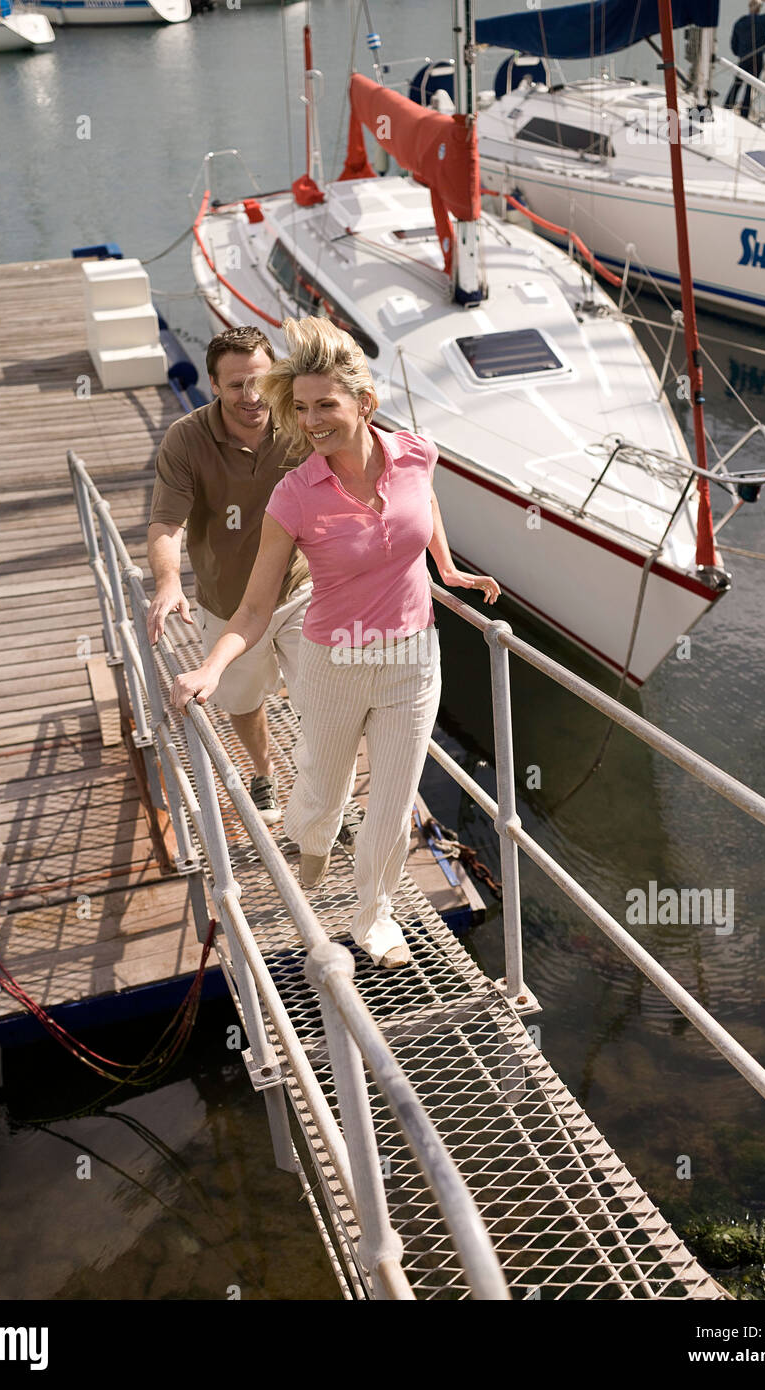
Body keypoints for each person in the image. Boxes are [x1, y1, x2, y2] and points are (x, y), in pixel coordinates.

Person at [169, 317, 500, 970]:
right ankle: (312, 835)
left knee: (394, 800)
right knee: (324, 784)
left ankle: (373, 918)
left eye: (327, 405)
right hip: (333, 662)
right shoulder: (295, 496)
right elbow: (258, 604)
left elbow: (423, 502)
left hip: (412, 659)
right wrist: (212, 665)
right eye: (303, 408)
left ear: (363, 404)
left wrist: (448, 567)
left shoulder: (414, 452)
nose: (313, 420)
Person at [146, 327, 312, 826]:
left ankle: (325, 794)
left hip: (299, 590)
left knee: (323, 698)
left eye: (260, 381)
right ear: (214, 385)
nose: (252, 395)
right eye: (237, 384)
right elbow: (166, 523)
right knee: (242, 700)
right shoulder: (186, 439)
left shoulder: (300, 423)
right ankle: (263, 775)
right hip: (228, 602)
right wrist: (169, 581)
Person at [724, 0, 765, 120]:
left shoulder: (740, 22)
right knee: (750, 86)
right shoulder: (762, 21)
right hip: (757, 58)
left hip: (743, 58)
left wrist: (740, 53)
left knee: (737, 83)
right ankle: (744, 113)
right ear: (759, 9)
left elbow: (733, 43)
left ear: (749, 7)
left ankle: (727, 107)